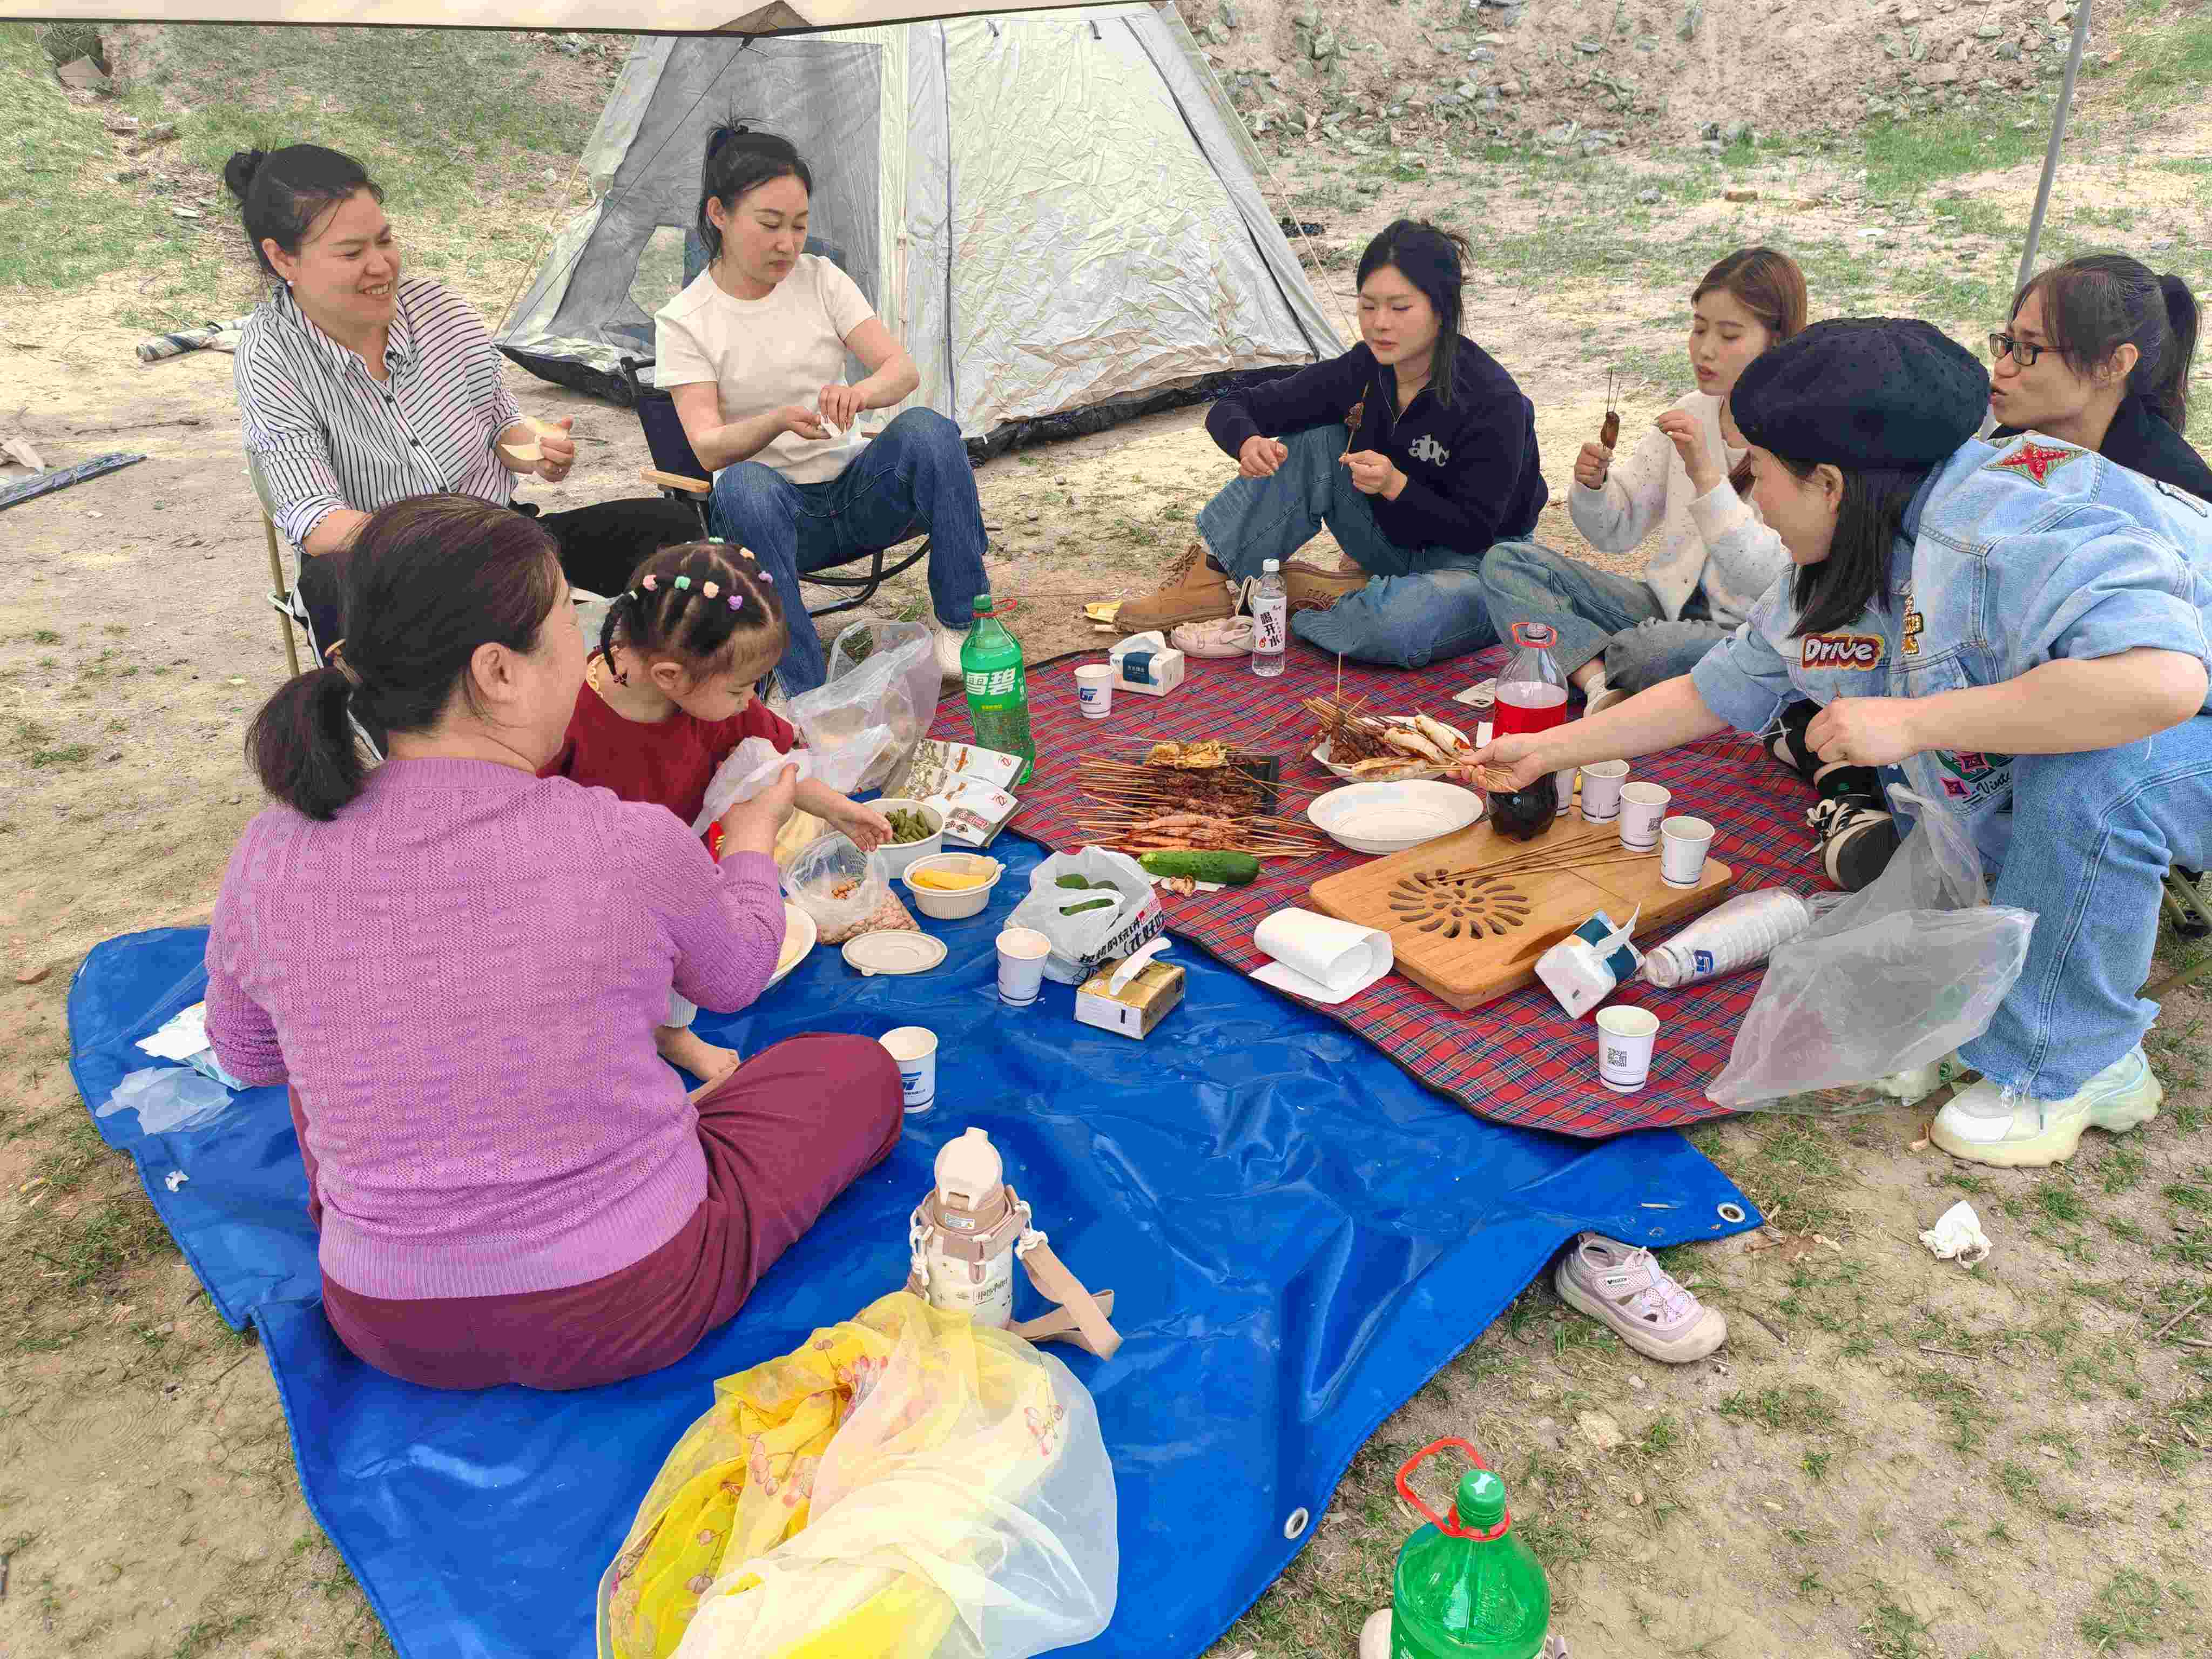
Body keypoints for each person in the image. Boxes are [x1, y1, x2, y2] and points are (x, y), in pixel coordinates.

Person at [1464, 318, 2212, 1169]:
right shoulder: (1864, 538)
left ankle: (2077, 1064)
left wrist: (1914, 724)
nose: (1750, 499)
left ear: (1827, 483)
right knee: (2018, 777)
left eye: (1760, 476)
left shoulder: (2007, 524)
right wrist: (1548, 752)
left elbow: (2160, 685)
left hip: (2184, 714)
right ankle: (2017, 1000)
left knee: (2095, 778)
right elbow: (1718, 689)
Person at [205, 495, 902, 1390]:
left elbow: (250, 1054)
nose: (587, 640)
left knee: (330, 1060)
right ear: (498, 670)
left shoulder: (271, 848)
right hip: (627, 1299)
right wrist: (757, 834)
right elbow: (734, 974)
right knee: (853, 1072)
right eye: (568, 616)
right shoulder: (620, 840)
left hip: (386, 1322)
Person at [1762, 253, 2212, 887]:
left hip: (2156, 711)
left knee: (2071, 777)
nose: (2001, 366)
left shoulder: (2159, 488)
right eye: (2004, 341)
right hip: (2056, 694)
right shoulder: (2001, 452)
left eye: (2029, 351)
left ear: (2114, 365)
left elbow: (2153, 681)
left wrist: (1920, 720)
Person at [226, 145, 699, 657]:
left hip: (503, 543)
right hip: (391, 574)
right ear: (282, 258)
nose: (381, 265)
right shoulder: (271, 355)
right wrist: (444, 544)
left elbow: (502, 426)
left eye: (385, 240)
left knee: (669, 531)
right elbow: (317, 521)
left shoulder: (440, 309)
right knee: (332, 591)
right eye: (350, 253)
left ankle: (657, 708)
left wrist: (536, 449)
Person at [1114, 219, 1549, 669]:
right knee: (1318, 442)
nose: (1380, 324)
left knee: (1399, 626)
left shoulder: (1492, 398)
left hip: (1479, 565)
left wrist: (1397, 484)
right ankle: (1205, 581)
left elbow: (1476, 530)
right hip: (1392, 539)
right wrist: (1247, 442)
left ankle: (1329, 603)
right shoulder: (1363, 369)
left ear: (1440, 309)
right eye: (1368, 306)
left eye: (1400, 308)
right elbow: (1234, 407)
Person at [540, 539, 893, 1090]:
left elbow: (776, 764)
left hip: (683, 876)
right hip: (589, 890)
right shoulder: (563, 716)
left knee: (684, 963)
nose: (750, 700)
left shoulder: (711, 699)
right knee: (610, 984)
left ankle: (674, 1036)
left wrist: (840, 809)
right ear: (669, 677)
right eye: (742, 688)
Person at [656, 125, 988, 696]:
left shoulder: (821, 279)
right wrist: (777, 421)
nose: (788, 243)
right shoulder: (686, 319)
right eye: (769, 224)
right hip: (776, 520)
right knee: (740, 484)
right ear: (719, 214)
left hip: (857, 495)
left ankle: (964, 628)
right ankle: (805, 688)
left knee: (928, 431)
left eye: (799, 225)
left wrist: (858, 395)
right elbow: (708, 445)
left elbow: (900, 372)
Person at [1481, 248, 1804, 708]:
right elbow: (1618, 532)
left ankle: (1574, 654)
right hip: (1662, 605)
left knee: (1647, 653)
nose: (1705, 349)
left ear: (1777, 340)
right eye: (1698, 328)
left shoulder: (1800, 436)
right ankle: (1597, 684)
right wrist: (1596, 489)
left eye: (1729, 335)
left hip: (1747, 632)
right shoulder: (1693, 410)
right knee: (1508, 564)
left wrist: (1705, 475)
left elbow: (1773, 580)